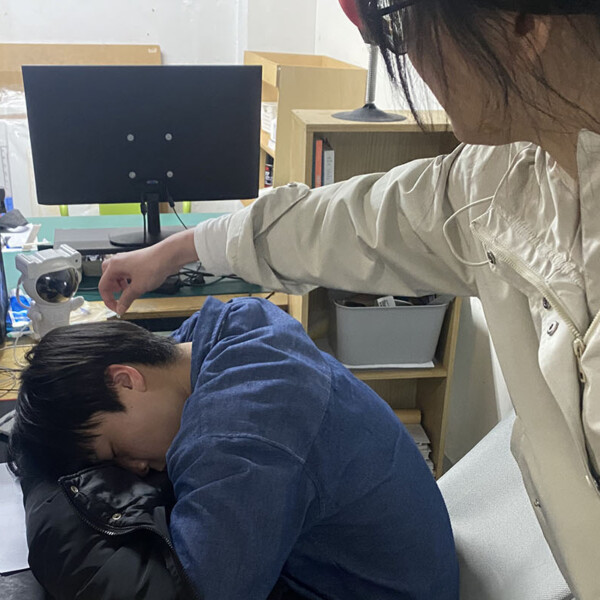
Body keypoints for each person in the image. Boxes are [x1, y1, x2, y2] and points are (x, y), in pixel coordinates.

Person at [97, 2, 600, 598]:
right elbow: (351, 221)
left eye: (400, 25)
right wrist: (180, 249)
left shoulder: (245, 421)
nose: (411, 59)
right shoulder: (506, 176)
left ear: (523, 19)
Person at [8, 296, 459, 600]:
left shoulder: (239, 433)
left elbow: (201, 591)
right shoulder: (226, 329)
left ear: (125, 379)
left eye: (114, 450)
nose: (135, 467)